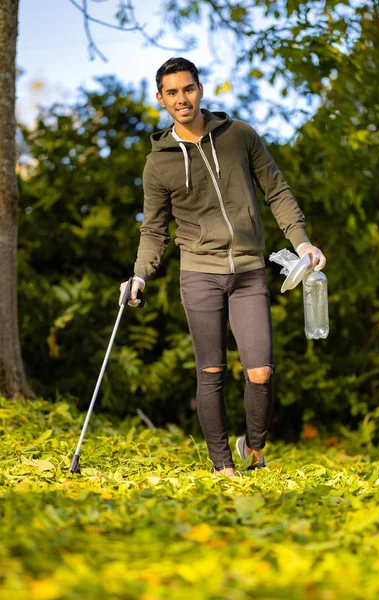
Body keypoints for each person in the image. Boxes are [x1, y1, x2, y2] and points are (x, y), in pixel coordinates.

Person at [120, 57, 326, 478]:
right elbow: (154, 231)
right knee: (211, 369)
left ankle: (252, 446)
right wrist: (139, 274)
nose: (182, 99)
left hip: (248, 270)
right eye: (172, 92)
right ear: (160, 99)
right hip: (198, 273)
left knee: (260, 370)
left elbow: (277, 191)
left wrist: (301, 242)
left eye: (188, 89)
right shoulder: (158, 163)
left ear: (200, 89)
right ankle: (221, 466)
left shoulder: (239, 136)